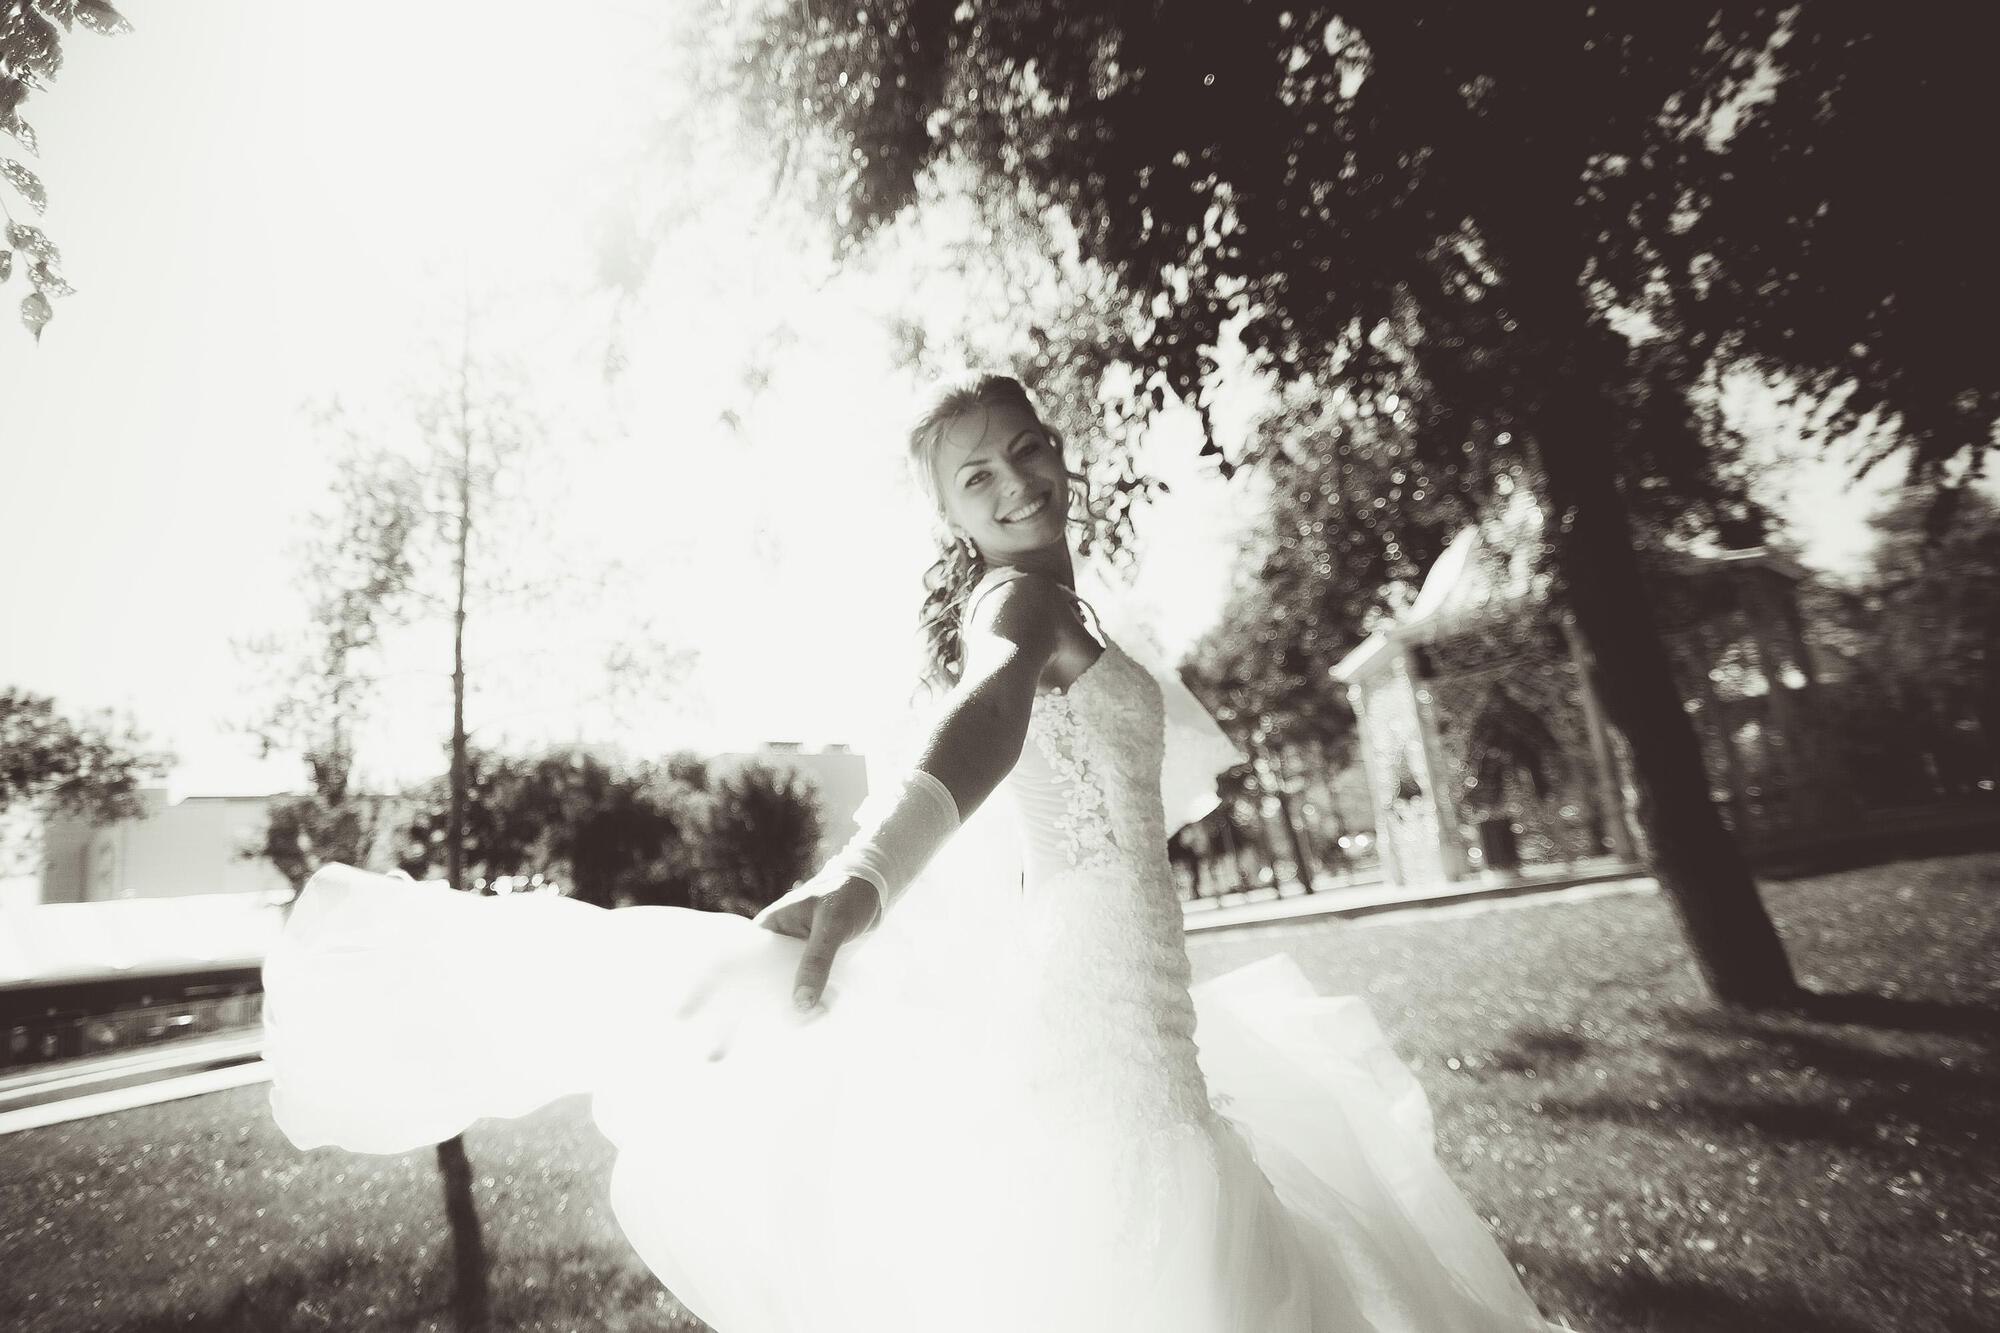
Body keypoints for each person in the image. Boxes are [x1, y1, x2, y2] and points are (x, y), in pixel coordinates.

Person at [262, 372, 1572, 1332]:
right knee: (1157, 1233)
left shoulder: (1074, 604)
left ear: (1058, 449)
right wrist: (871, 872)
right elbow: (987, 717)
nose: (1014, 484)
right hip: (1101, 996)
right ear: (949, 514)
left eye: (1025, 451)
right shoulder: (1020, 604)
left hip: (1122, 973)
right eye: (976, 478)